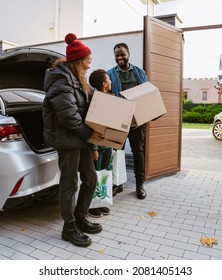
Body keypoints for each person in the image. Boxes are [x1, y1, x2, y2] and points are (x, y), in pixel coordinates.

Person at [42, 33, 104, 247]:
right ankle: (68, 228)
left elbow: (93, 98)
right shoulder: (60, 80)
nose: (89, 65)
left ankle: (80, 217)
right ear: (78, 60)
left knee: (90, 178)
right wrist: (90, 135)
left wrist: (114, 103)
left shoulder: (79, 79)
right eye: (87, 61)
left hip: (81, 138)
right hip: (68, 139)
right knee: (69, 184)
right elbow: (68, 116)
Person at [107, 42, 148, 200]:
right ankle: (118, 184)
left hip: (137, 120)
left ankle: (139, 185)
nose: (119, 57)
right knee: (117, 152)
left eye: (122, 54)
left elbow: (146, 93)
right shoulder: (110, 73)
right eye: (117, 55)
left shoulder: (139, 72)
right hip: (119, 120)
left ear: (128, 54)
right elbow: (107, 95)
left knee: (138, 152)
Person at [87, 69, 113, 218]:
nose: (111, 81)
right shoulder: (95, 101)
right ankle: (91, 206)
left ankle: (101, 202)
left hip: (107, 146)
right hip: (97, 147)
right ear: (104, 83)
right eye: (109, 79)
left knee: (103, 175)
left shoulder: (108, 99)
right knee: (94, 176)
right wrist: (94, 148)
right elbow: (93, 125)